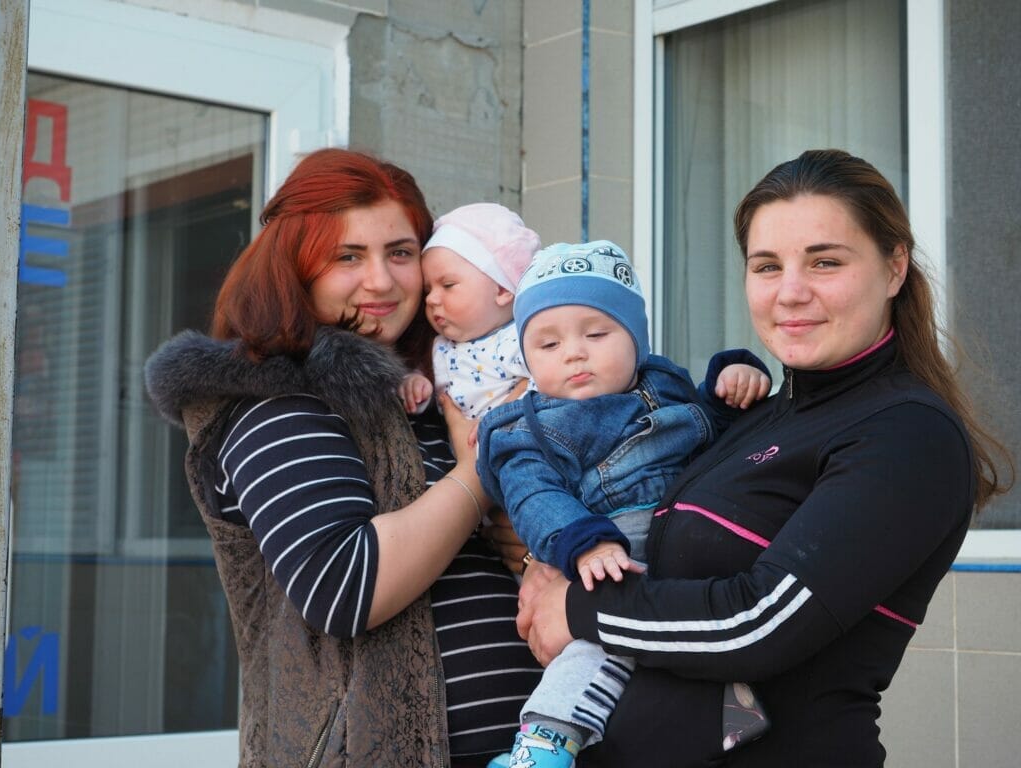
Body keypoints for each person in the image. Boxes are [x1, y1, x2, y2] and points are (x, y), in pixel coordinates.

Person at [516, 149, 1015, 767]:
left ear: (894, 268)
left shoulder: (908, 432)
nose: (791, 292)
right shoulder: (759, 415)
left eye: (825, 262)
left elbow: (757, 623)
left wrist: (576, 608)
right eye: (767, 266)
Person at [144, 148, 543, 767]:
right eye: (347, 256)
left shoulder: (434, 388)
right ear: (292, 270)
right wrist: (486, 463)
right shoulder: (272, 402)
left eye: (401, 253)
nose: (381, 281)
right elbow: (344, 586)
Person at [476, 241, 773, 768]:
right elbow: (533, 497)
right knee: (601, 642)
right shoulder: (528, 431)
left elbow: (716, 435)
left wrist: (732, 383)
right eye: (547, 344)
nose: (574, 352)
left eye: (596, 333)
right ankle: (547, 737)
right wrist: (584, 544)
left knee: (707, 618)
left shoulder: (667, 388)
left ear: (637, 340)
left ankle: (731, 703)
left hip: (692, 553)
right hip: (612, 550)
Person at [398, 202, 540, 423]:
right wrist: (417, 387)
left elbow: (550, 380)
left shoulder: (519, 338)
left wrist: (503, 414)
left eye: (448, 285)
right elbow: (440, 397)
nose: (431, 299)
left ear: (502, 289)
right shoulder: (440, 348)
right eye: (428, 289)